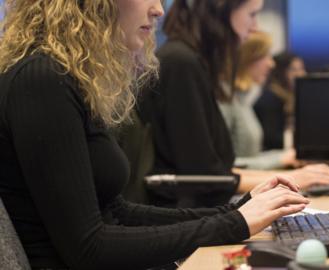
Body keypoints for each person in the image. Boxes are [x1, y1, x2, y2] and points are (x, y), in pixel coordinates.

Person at [0, 1, 310, 269]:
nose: (159, 9)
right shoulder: (41, 81)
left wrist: (234, 212)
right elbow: (88, 247)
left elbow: (117, 211)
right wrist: (233, 224)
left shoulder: (68, 79)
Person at [139, 0, 329, 208]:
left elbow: (217, 172)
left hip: (198, 216)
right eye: (252, 15)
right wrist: (291, 179)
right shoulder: (181, 63)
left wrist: (291, 177)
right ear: (220, 12)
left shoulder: (191, 62)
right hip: (189, 222)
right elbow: (205, 177)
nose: (255, 27)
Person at [218, 31, 298, 170]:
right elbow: (224, 167)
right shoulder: (224, 100)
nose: (271, 64)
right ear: (246, 58)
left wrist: (288, 156)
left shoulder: (240, 100)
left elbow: (252, 158)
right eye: (264, 56)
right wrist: (280, 159)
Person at [254, 52, 307, 150]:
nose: (300, 74)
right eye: (293, 70)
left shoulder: (291, 97)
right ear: (280, 72)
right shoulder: (270, 98)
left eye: (302, 69)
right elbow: (271, 138)